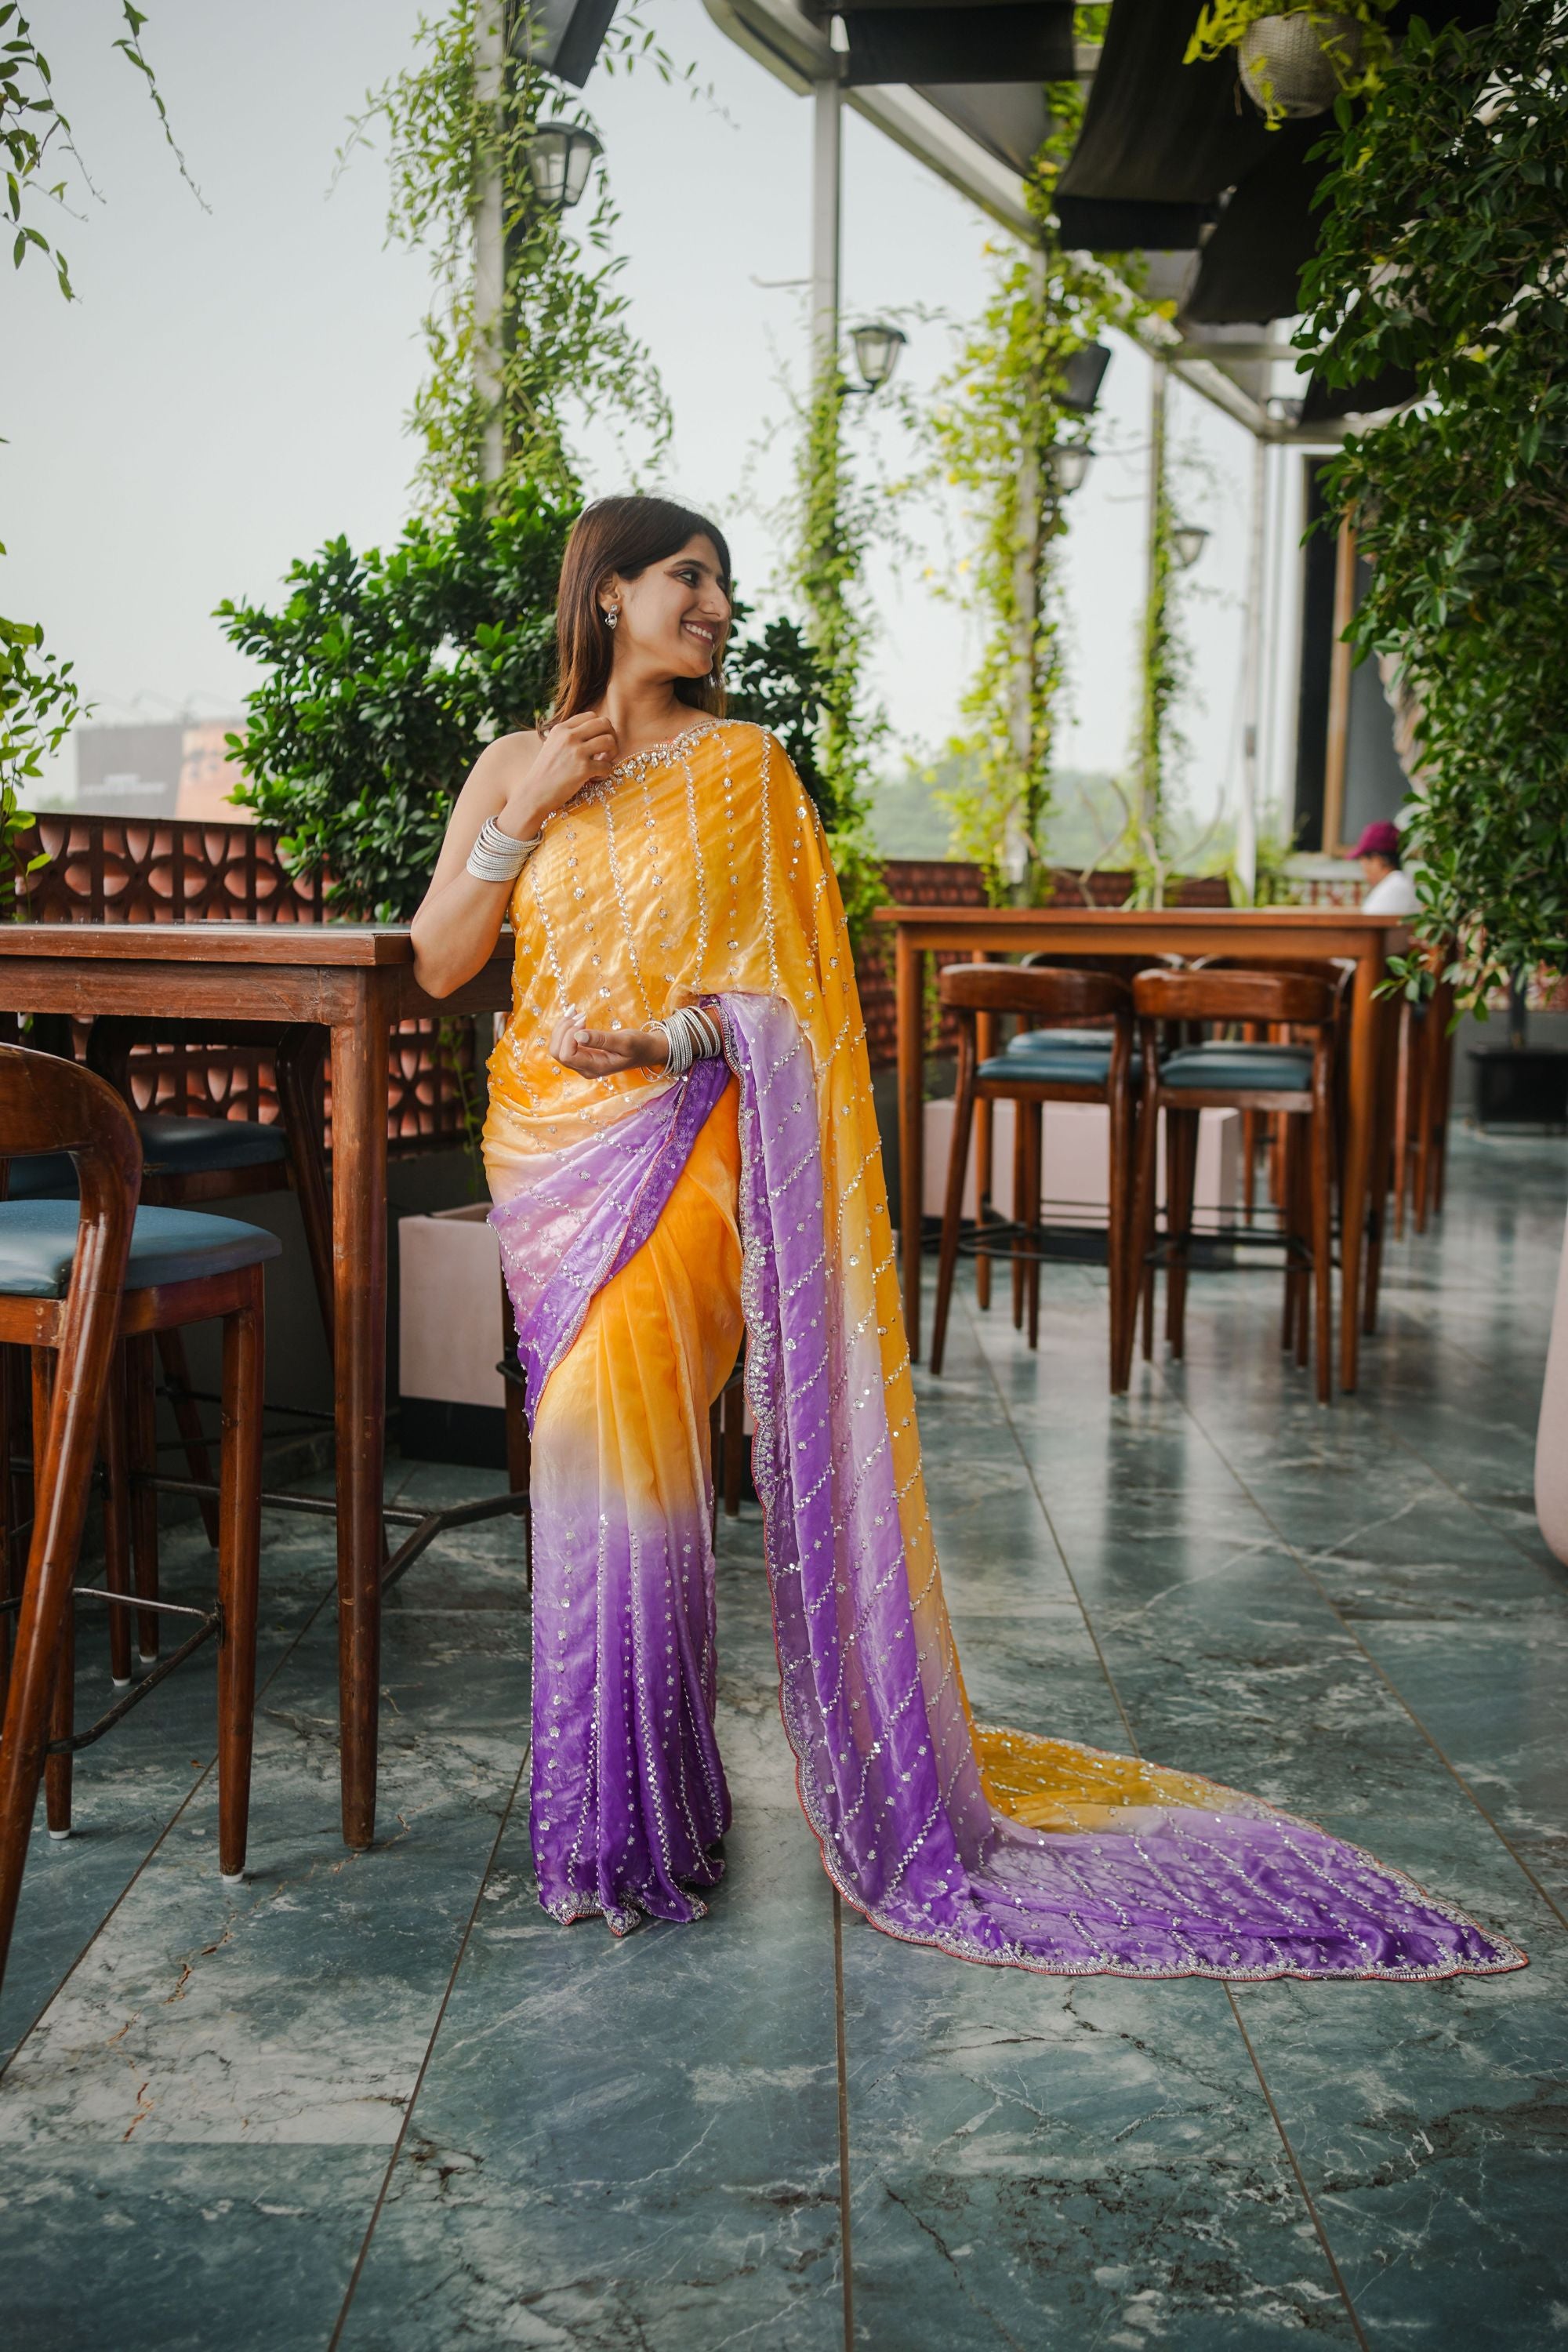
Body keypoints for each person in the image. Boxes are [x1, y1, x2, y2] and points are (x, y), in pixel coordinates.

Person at [411, 493, 1522, 1981]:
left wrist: (671, 1044)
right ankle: (645, 1813)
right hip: (549, 1166)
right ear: (607, 591)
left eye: (725, 586)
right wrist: (529, 804)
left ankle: (631, 1826)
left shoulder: (746, 769)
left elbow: (794, 1002)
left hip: (685, 1152)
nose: (718, 608)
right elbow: (443, 960)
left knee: (612, 1432)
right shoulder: (514, 763)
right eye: (690, 578)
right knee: (593, 1460)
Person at [1348, 818, 1419, 915]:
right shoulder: (1397, 883)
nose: (1363, 869)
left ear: (1377, 861)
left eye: (1363, 860)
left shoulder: (1394, 887)